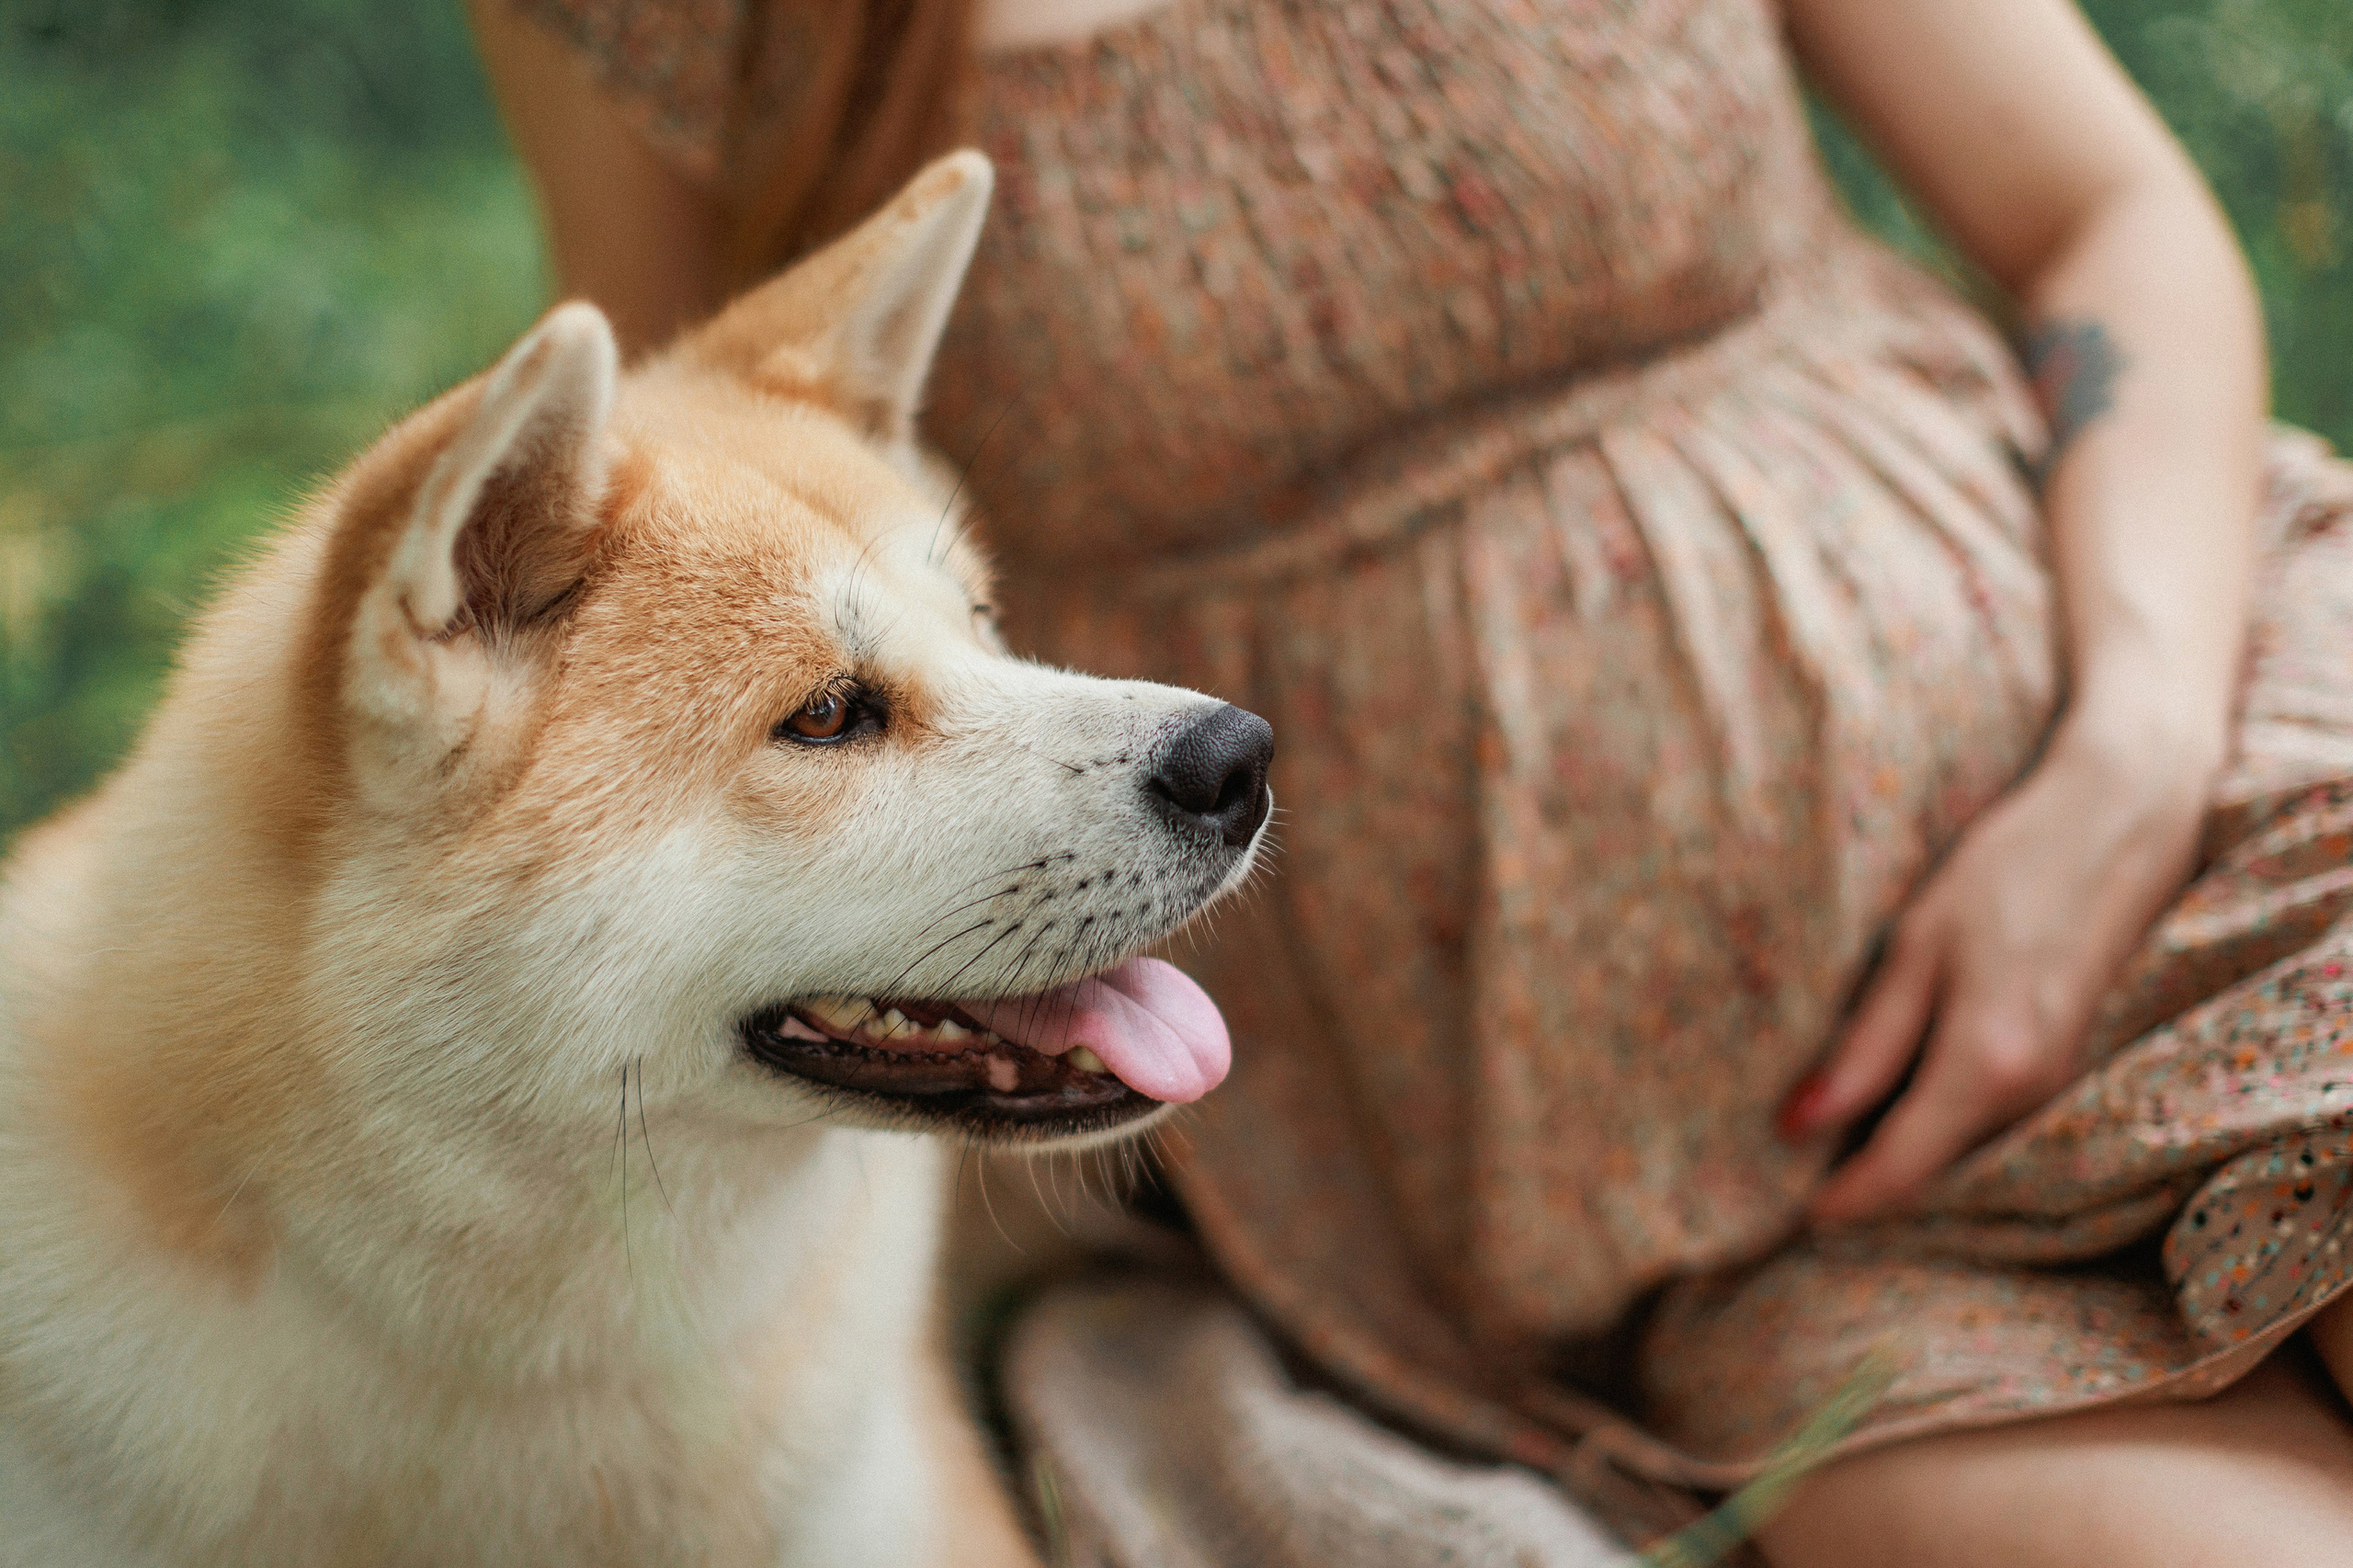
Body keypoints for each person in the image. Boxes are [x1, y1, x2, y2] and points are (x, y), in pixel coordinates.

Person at [470, 0, 2353, 1559]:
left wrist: (2131, 745)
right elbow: (668, 505)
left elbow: (2097, 212)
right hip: (1702, 1199)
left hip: (2207, 767)